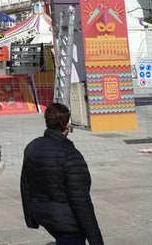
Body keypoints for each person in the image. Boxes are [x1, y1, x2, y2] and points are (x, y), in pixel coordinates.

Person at [20, 103, 103, 245]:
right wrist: (96, 241)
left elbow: (25, 185)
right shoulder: (71, 156)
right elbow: (81, 202)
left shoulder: (32, 147)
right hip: (67, 223)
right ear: (66, 126)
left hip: (43, 214)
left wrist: (31, 219)